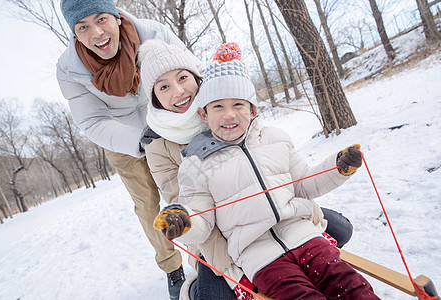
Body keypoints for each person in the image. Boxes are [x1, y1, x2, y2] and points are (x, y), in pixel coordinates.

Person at [154, 43, 380, 299]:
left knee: (348, 283)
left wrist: (338, 168)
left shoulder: (275, 139)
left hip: (303, 233)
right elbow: (202, 223)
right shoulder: (195, 164)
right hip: (257, 254)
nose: (229, 115)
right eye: (218, 106)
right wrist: (184, 222)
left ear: (252, 110)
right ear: (203, 114)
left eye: (238, 104)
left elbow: (305, 183)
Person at [56, 1, 204, 298]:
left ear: (116, 16)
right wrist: (139, 140)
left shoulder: (153, 32)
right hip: (122, 140)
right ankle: (172, 266)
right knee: (149, 204)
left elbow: (192, 71)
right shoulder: (69, 69)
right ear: (74, 33)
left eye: (101, 19)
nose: (96, 33)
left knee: (192, 191)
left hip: (173, 123)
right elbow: (92, 120)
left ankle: (211, 253)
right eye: (83, 27)